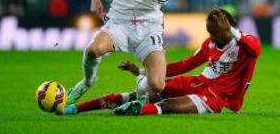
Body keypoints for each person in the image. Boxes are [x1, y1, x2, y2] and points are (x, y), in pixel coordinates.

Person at [61, 7, 261, 115]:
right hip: (197, 82)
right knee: (140, 92)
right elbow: (184, 65)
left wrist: (231, 32)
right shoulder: (210, 44)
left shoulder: (243, 44)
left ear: (228, 29)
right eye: (211, 34)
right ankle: (77, 108)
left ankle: (138, 110)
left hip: (215, 96)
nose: (213, 38)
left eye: (216, 33)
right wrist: (141, 71)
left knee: (170, 106)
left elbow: (255, 48)